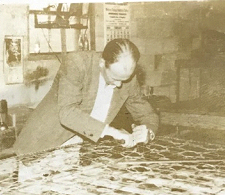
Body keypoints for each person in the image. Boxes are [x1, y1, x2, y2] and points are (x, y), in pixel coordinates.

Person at [13, 38, 159, 156]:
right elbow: (68, 113)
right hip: (41, 145)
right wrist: (113, 132)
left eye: (125, 79)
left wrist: (148, 132)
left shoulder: (126, 78)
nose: (120, 85)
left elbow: (147, 114)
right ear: (102, 63)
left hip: (72, 151)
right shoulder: (77, 63)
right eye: (114, 78)